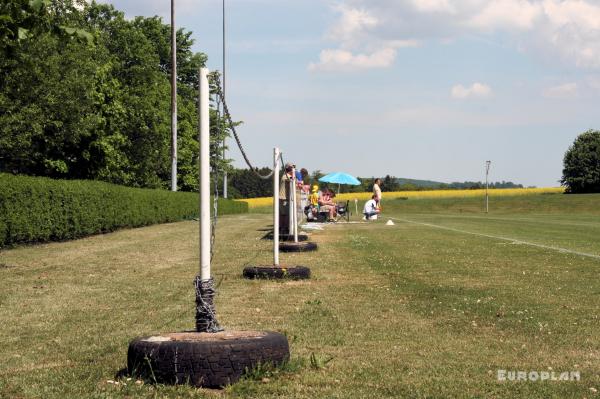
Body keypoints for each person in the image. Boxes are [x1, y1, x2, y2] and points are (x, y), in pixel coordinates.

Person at [279, 163, 295, 234]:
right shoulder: (287, 176)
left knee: (283, 214)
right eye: (292, 168)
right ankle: (284, 228)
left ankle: (282, 228)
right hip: (284, 198)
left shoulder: (285, 175)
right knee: (285, 214)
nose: (293, 169)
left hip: (284, 198)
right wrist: (294, 173)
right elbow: (293, 180)